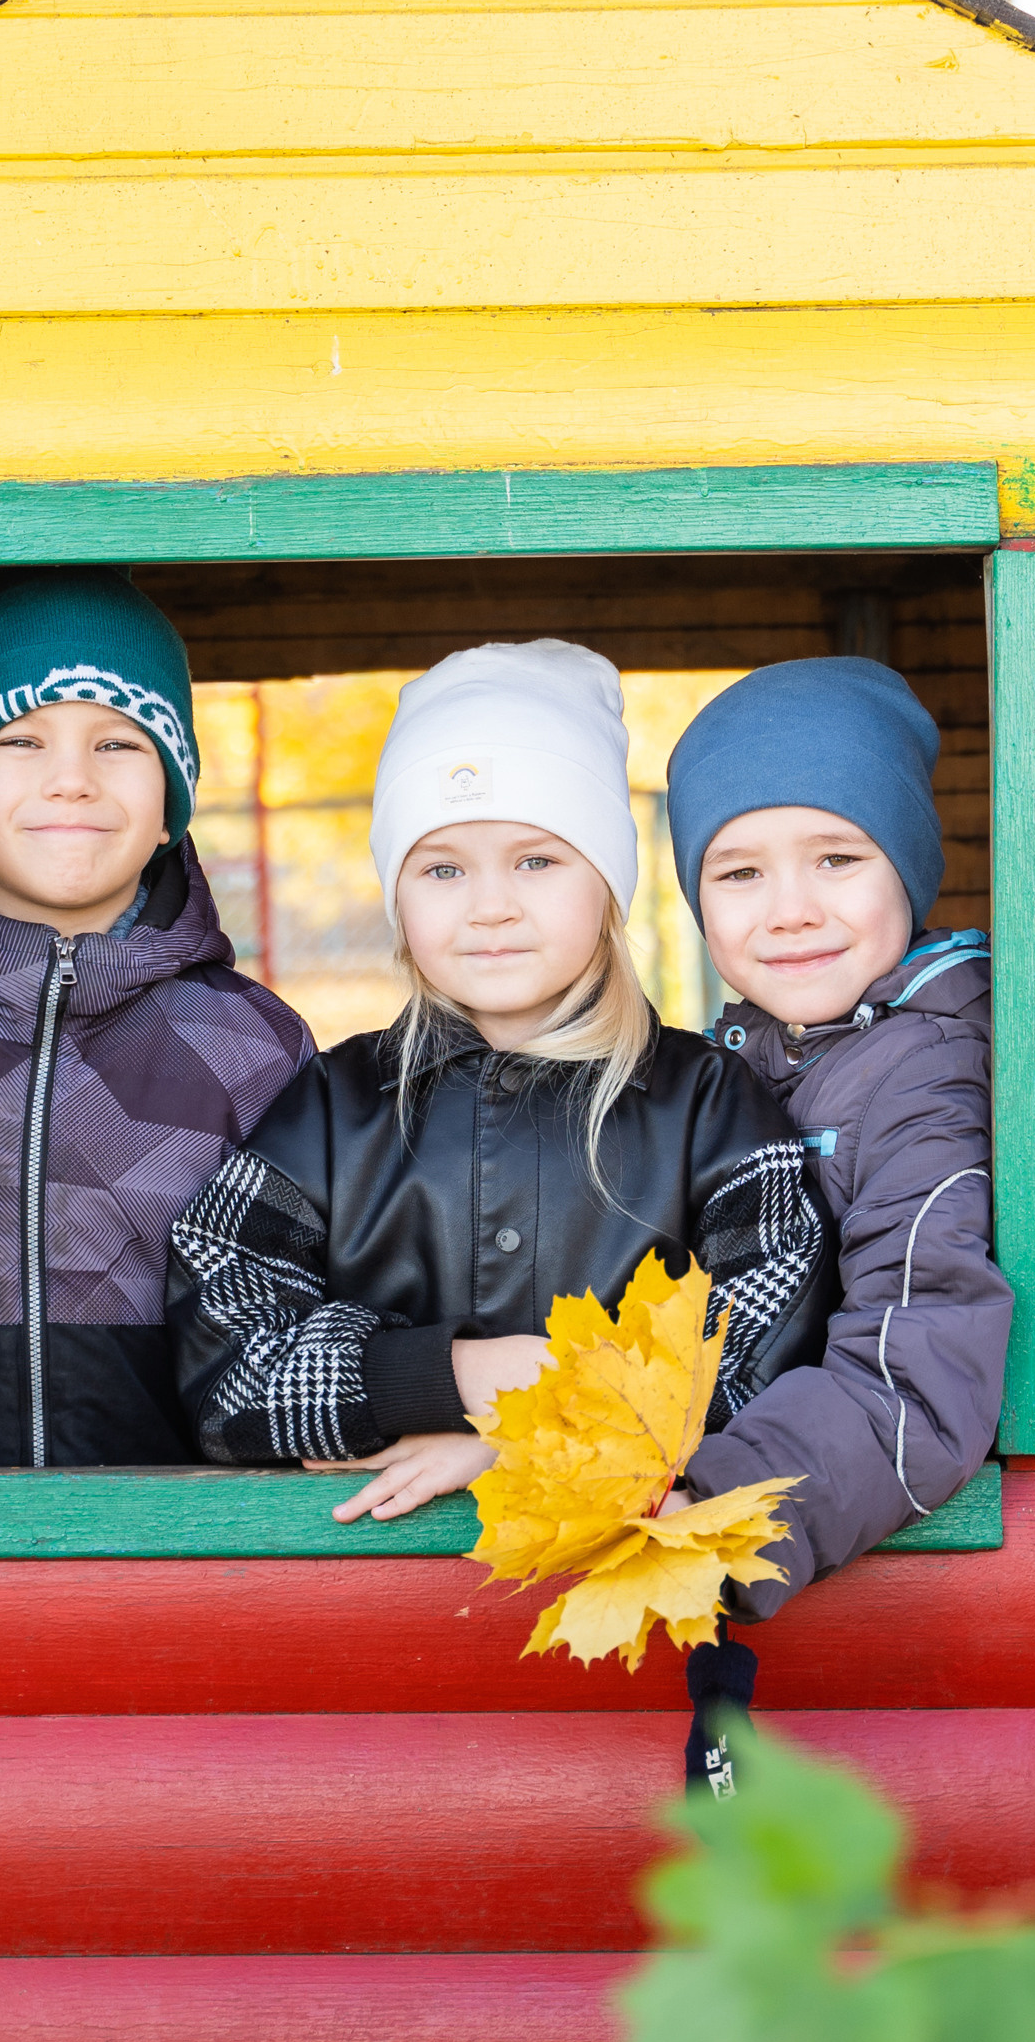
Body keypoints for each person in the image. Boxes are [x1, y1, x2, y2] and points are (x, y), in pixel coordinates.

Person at [167, 639, 835, 1505]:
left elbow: (768, 1369)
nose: (490, 906)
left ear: (605, 887)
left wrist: (528, 1431)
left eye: (536, 860)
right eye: (442, 869)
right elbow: (223, 1377)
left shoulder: (709, 1104)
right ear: (398, 902)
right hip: (375, 1609)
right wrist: (459, 1377)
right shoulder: (333, 1105)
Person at [663, 654, 1013, 1774]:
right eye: (739, 872)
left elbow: (918, 1368)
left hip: (898, 1667)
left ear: (908, 867)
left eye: (837, 857)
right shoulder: (737, 1066)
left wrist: (715, 1509)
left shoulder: (923, 1079)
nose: (792, 910)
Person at [0, 567, 311, 1471]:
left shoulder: (255, 1045)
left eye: (118, 744)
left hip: (173, 1556)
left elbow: (304, 1315)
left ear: (167, 811)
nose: (70, 781)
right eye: (20, 741)